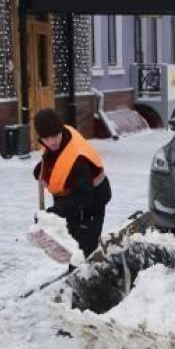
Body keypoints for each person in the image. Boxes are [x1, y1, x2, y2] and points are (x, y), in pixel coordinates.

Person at [32, 108, 112, 258]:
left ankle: (88, 273)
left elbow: (82, 197)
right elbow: (56, 160)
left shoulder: (78, 160)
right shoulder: (56, 143)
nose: (51, 142)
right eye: (46, 138)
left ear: (61, 130)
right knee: (73, 243)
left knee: (84, 249)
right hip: (74, 201)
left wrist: (56, 213)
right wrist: (42, 170)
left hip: (92, 204)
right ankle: (77, 267)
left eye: (54, 136)